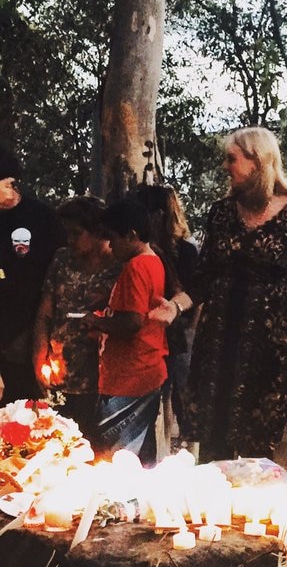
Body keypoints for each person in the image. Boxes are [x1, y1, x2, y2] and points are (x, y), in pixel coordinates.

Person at [150, 127, 287, 461]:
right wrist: (175, 306)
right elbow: (203, 277)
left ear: (258, 161)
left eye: (232, 159)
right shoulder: (221, 213)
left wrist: (274, 321)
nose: (226, 167)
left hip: (266, 350)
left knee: (258, 449)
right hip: (218, 346)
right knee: (215, 446)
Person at [83, 198, 168, 466]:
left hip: (129, 377)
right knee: (140, 454)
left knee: (117, 459)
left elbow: (132, 323)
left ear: (131, 235)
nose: (109, 246)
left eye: (112, 238)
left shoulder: (136, 267)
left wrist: (96, 322)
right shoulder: (153, 262)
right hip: (143, 371)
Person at [31, 196, 120, 437]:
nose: (70, 240)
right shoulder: (62, 259)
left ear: (98, 231)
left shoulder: (118, 266)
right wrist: (39, 355)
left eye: (77, 233)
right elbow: (44, 313)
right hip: (61, 372)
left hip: (101, 378)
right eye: (67, 233)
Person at [134, 184, 199, 453]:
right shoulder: (139, 252)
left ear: (159, 215)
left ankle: (189, 450)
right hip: (149, 335)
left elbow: (196, 294)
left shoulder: (185, 250)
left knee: (184, 398)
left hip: (179, 335)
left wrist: (190, 332)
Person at [0, 149, 63, 404]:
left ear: (10, 183)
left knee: (32, 412)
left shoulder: (42, 218)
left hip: (33, 329)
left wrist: (35, 336)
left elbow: (57, 275)